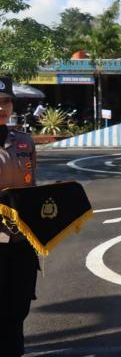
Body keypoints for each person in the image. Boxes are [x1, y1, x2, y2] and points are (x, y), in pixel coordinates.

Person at [0, 77, 39, 357]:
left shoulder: (23, 142)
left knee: (19, 305)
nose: (2, 107)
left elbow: (31, 189)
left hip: (20, 240)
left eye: (6, 101)